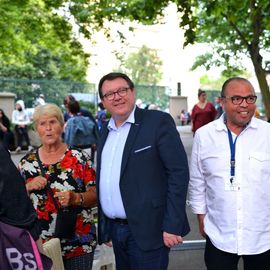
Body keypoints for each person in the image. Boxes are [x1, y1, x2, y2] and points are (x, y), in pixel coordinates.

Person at [96, 72, 190, 270]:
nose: (117, 97)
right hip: (116, 231)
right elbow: (105, 178)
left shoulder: (157, 122)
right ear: (103, 101)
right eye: (109, 94)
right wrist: (105, 228)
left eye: (122, 90)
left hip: (150, 231)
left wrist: (172, 225)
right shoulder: (105, 129)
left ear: (133, 92)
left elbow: (178, 174)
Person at [189, 77, 270, 270]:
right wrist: (201, 215)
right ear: (222, 101)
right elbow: (197, 180)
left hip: (263, 236)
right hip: (219, 234)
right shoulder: (204, 135)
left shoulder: (267, 133)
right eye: (236, 99)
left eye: (250, 98)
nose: (245, 105)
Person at [18, 103, 97, 270]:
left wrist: (76, 198)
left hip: (79, 244)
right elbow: (13, 202)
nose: (48, 128)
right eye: (42, 123)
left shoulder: (79, 158)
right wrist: (28, 186)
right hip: (42, 246)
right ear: (36, 129)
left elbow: (96, 195)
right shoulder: (26, 164)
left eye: (53, 122)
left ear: (62, 125)